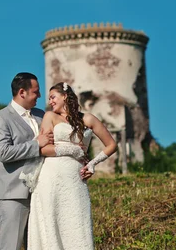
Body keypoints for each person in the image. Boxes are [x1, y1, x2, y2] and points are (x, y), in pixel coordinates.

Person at [26, 81, 117, 250]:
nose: (50, 101)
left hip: (75, 179)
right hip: (50, 178)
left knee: (78, 224)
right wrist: (70, 150)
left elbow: (111, 144)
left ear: (65, 96)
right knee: (51, 226)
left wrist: (92, 164)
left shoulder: (88, 119)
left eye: (53, 97)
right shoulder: (50, 117)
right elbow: (43, 149)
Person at [0, 72, 54, 250]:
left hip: (43, 192)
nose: (39, 96)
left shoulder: (43, 115)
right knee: (12, 246)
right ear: (22, 92)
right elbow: (4, 153)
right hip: (14, 194)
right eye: (36, 92)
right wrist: (35, 144)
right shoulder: (0, 118)